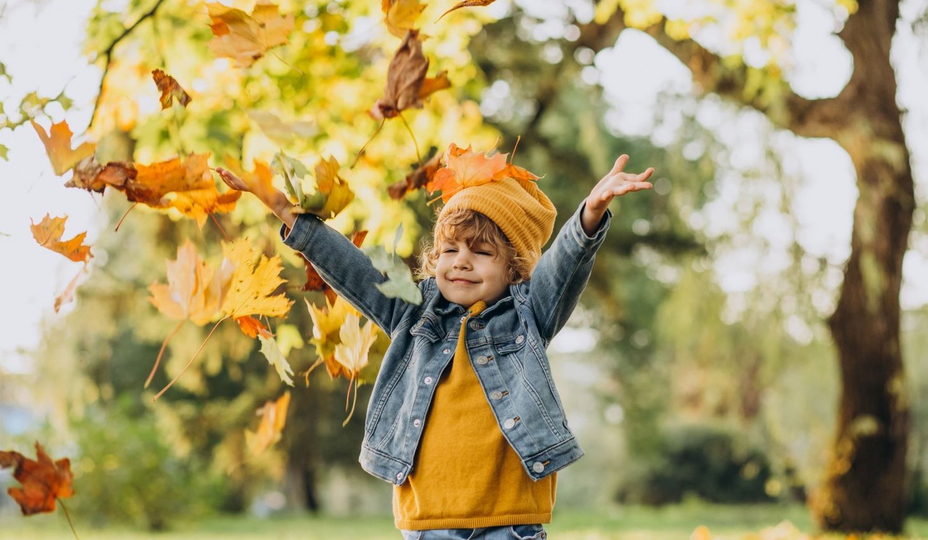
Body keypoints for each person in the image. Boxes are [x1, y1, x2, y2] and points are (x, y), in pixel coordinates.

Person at [216, 152, 653, 540]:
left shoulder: (528, 314)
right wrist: (278, 204)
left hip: (508, 523)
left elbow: (563, 267)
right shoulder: (412, 310)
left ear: (515, 267)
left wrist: (590, 214)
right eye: (449, 249)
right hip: (426, 522)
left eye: (481, 252)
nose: (461, 260)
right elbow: (350, 268)